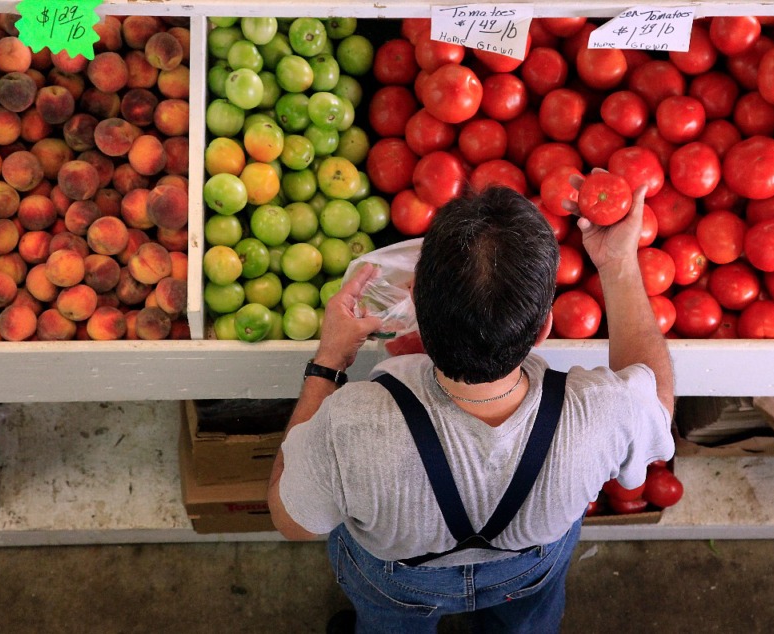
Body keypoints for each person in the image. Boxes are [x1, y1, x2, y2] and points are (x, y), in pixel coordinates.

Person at [267, 182, 675, 633]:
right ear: (543, 330)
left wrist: (329, 362)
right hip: (526, 570)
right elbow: (656, 401)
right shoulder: (598, 413)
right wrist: (618, 265)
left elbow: (291, 521)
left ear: (416, 303)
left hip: (397, 581)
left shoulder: (350, 425)